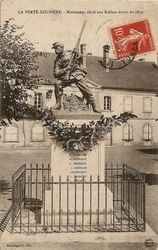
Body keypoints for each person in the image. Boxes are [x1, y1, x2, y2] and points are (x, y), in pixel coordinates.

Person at [52, 42, 100, 112]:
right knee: (57, 84)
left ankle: (94, 106)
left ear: (61, 47)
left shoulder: (71, 53)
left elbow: (80, 58)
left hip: (76, 73)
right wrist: (66, 69)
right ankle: (58, 104)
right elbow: (56, 73)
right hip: (67, 76)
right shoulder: (57, 60)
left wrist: (78, 53)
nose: (55, 50)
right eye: (55, 48)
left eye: (56, 48)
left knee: (86, 89)